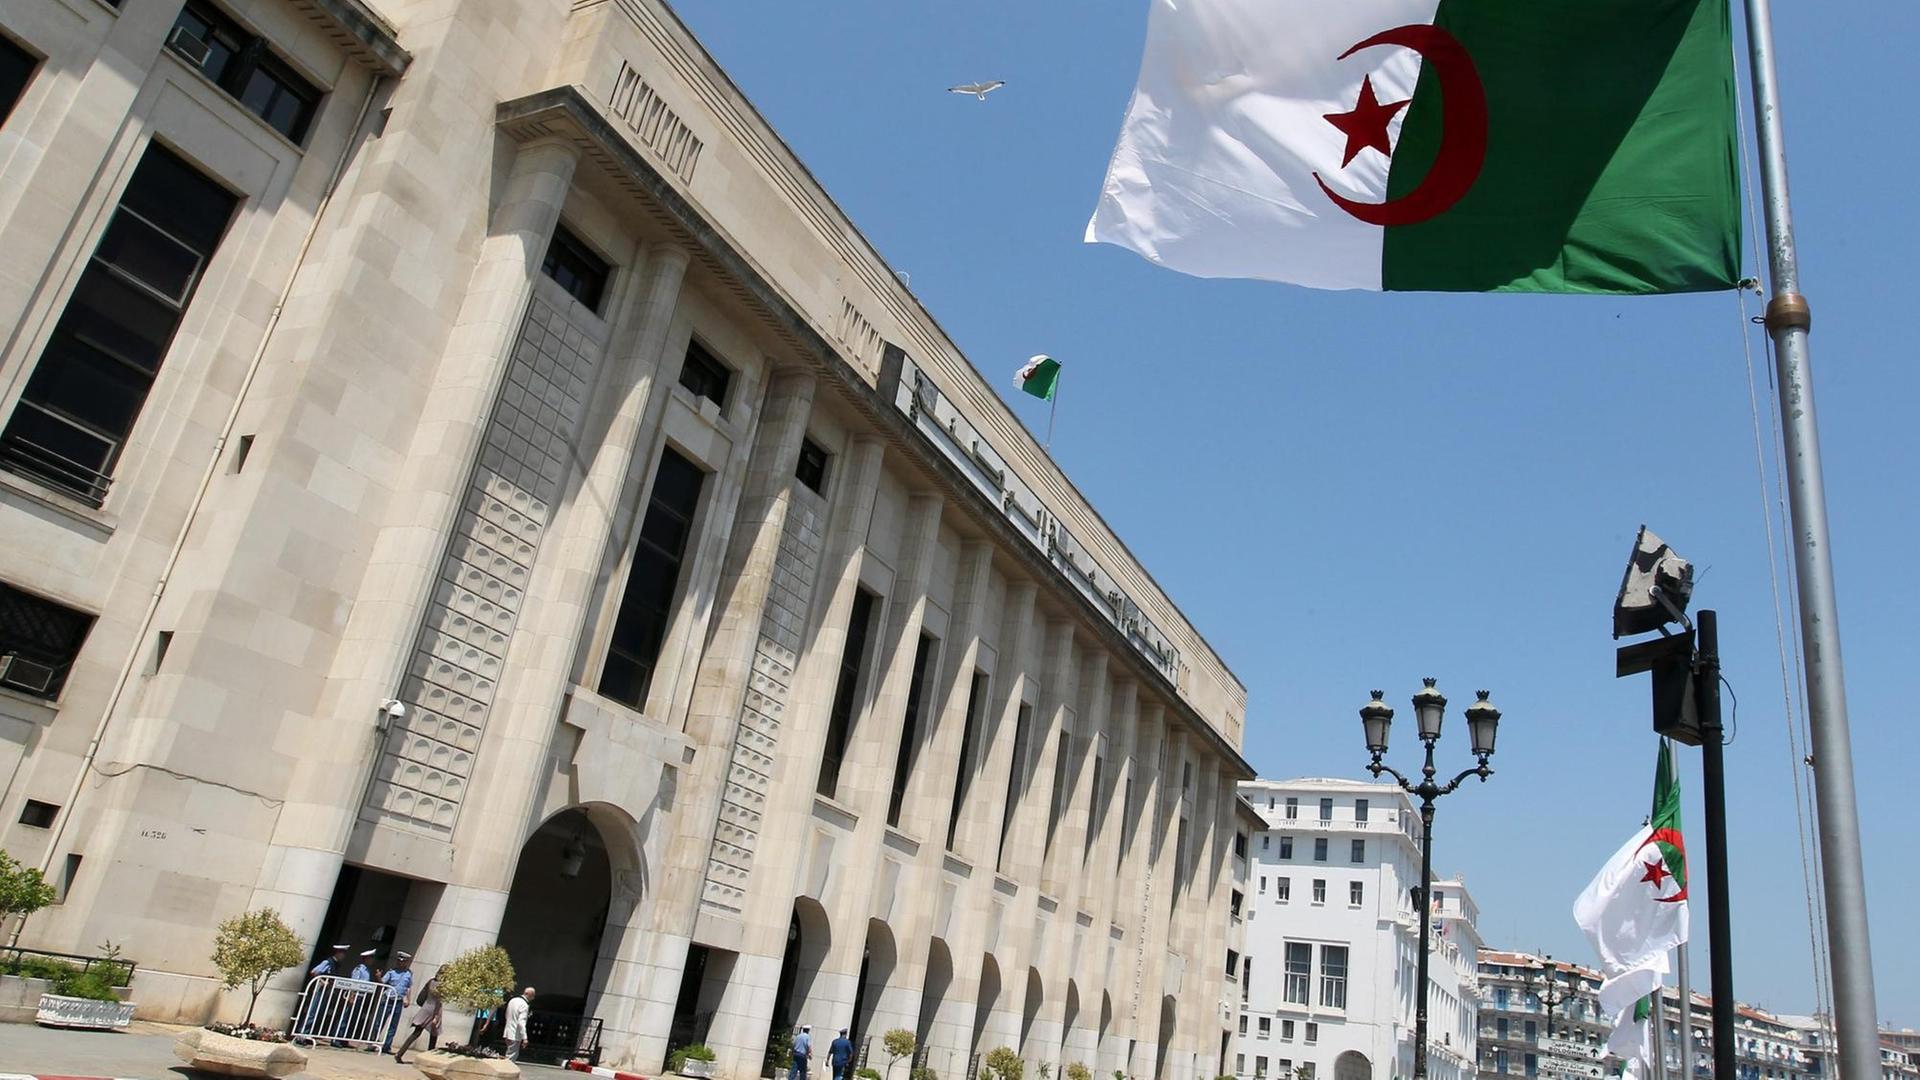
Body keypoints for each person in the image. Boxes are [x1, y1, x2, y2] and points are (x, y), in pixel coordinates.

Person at [392, 974, 443, 1064]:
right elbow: (439, 1001)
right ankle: (429, 1059)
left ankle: (399, 1053)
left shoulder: (431, 982)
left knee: (416, 1033)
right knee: (433, 1035)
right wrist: (436, 1016)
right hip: (434, 1010)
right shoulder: (442, 986)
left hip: (425, 1008)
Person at [377, 950, 416, 1054]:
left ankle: (387, 1046)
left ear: (406, 962)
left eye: (403, 961)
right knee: (379, 1021)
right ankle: (372, 1043)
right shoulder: (391, 972)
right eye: (399, 961)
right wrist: (378, 977)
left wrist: (408, 999)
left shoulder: (408, 974)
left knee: (393, 1025)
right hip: (388, 999)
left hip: (398, 1001)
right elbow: (383, 982)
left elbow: (408, 987)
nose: (400, 963)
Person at [504, 986, 535, 1061]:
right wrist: (525, 1038)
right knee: (511, 1057)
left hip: (508, 1031)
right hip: (515, 1034)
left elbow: (506, 1014)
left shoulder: (513, 1000)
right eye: (532, 995)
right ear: (528, 994)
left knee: (509, 1054)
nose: (533, 998)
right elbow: (521, 1022)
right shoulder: (524, 1005)